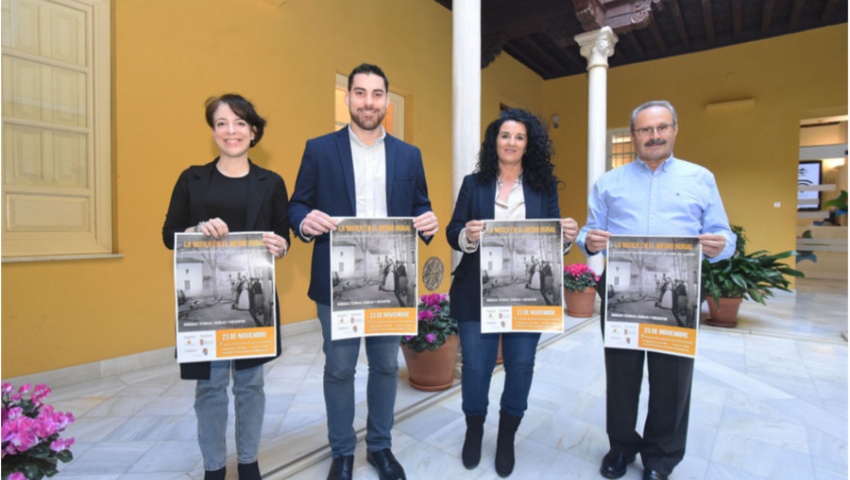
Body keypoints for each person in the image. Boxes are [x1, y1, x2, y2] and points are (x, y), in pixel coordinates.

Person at [287, 63, 439, 480]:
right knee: (339, 368)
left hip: (391, 284)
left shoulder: (410, 155)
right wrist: (304, 221)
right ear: (348, 97)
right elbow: (296, 204)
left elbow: (420, 204)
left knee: (387, 366)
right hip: (337, 284)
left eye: (376, 94)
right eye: (359, 92)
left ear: (387, 101)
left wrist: (427, 219)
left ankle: (380, 447)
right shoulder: (319, 149)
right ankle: (341, 452)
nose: (368, 102)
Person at [577, 100, 736, 480]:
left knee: (672, 381)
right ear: (633, 135)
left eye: (662, 127)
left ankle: (660, 458)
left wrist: (720, 245)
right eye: (645, 130)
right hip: (621, 295)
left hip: (676, 295)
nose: (654, 136)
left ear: (675, 129)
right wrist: (591, 241)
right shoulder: (608, 182)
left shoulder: (701, 178)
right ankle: (621, 448)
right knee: (622, 378)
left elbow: (725, 235)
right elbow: (587, 232)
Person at [162, 94, 291, 480]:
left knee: (251, 385)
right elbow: (170, 235)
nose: (230, 131)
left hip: (257, 299)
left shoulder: (271, 183)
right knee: (211, 388)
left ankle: (248, 461)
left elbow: (283, 236)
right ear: (213, 130)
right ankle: (214, 468)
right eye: (221, 123)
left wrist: (281, 246)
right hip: (205, 314)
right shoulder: (192, 179)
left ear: (253, 131)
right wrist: (195, 231)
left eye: (239, 123)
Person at [446, 108, 579, 478]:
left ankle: (506, 437)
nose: (511, 142)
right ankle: (474, 430)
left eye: (519, 137)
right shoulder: (474, 184)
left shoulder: (542, 187)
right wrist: (466, 235)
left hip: (528, 294)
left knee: (520, 366)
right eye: (505, 135)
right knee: (475, 368)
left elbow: (553, 236)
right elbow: (452, 228)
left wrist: (566, 238)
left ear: (528, 144)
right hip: (476, 291)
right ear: (495, 142)